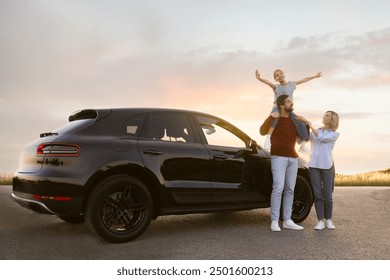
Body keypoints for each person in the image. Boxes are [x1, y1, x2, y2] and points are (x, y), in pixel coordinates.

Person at [260, 94, 309, 232]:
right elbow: (262, 131)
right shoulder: (276, 118)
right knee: (278, 188)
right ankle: (274, 221)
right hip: (278, 158)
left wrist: (306, 124)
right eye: (288, 101)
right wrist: (271, 117)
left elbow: (300, 141)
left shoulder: (294, 121)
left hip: (293, 158)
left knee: (290, 189)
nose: (291, 103)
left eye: (291, 101)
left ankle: (287, 220)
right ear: (282, 105)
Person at [255, 68, 322, 152]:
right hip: (277, 108)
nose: (279, 76)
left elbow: (304, 80)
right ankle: (267, 140)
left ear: (284, 74)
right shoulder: (276, 87)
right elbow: (268, 82)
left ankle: (303, 145)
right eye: (277, 75)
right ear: (276, 79)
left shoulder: (292, 84)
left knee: (300, 121)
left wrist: (315, 76)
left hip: (288, 109)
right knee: (275, 118)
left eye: (280, 73)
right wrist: (259, 78)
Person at [298, 111, 340, 230]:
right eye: (324, 115)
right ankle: (320, 220)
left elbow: (321, 138)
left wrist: (309, 124)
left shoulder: (334, 134)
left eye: (327, 116)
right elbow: (305, 139)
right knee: (317, 194)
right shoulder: (316, 131)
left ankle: (329, 219)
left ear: (332, 120)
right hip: (314, 166)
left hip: (327, 166)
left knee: (327, 195)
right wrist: (302, 129)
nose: (324, 117)